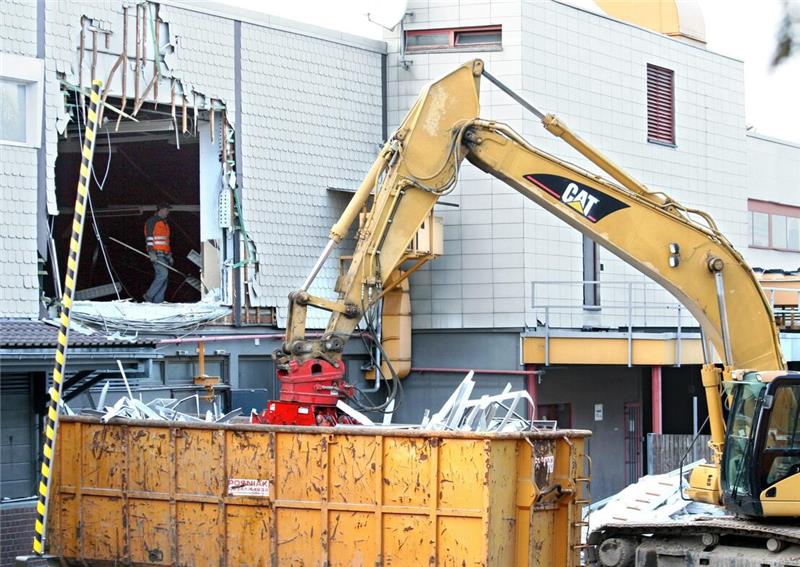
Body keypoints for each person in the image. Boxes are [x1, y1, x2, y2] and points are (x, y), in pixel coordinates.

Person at [143, 203, 173, 303]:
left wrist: (169, 255)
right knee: (163, 274)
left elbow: (166, 241)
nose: (168, 212)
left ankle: (158, 301)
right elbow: (149, 237)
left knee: (164, 277)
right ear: (161, 209)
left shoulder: (164, 223)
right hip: (157, 253)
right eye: (167, 210)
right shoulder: (152, 221)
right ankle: (149, 295)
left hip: (164, 254)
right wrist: (151, 252)